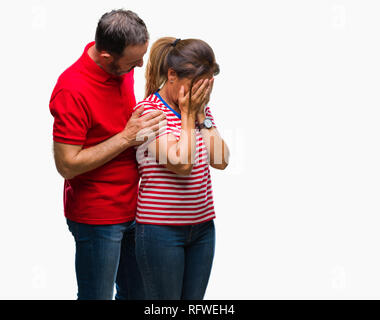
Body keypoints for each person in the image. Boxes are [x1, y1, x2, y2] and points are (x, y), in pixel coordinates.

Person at [49, 9, 166, 300]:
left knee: (138, 295)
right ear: (106, 58)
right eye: (133, 62)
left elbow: (117, 123)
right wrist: (127, 137)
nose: (140, 65)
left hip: (134, 207)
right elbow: (67, 165)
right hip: (97, 218)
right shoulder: (71, 90)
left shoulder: (119, 67)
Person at [133, 37, 230, 299]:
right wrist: (189, 116)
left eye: (206, 87)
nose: (201, 94)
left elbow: (221, 159)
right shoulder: (148, 112)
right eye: (195, 86)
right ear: (172, 75)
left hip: (202, 230)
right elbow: (181, 163)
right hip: (160, 231)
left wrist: (201, 117)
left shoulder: (201, 111)